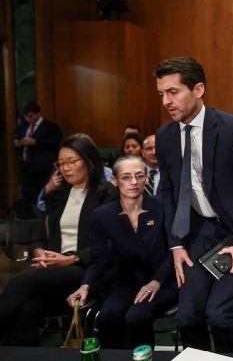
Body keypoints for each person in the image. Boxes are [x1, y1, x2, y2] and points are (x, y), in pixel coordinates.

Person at [154, 57, 233, 353]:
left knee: (219, 315)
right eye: (161, 94)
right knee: (188, 316)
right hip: (198, 232)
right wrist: (175, 244)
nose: (166, 101)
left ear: (198, 90)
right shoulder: (165, 137)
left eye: (173, 92)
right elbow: (167, 193)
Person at [0, 136, 118, 345]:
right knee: (27, 309)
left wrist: (71, 258)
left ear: (88, 160)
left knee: (22, 281)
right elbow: (37, 235)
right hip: (53, 271)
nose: (65, 168)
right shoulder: (58, 194)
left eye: (71, 161)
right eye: (61, 163)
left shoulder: (107, 194)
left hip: (87, 269)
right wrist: (39, 252)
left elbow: (112, 244)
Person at [66, 155, 177, 349]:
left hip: (166, 280)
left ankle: (143, 358)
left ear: (147, 178)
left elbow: (175, 250)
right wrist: (85, 285)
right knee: (108, 316)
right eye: (126, 177)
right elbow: (99, 259)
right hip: (128, 282)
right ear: (115, 181)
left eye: (139, 175)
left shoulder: (162, 206)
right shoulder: (102, 215)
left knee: (136, 317)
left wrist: (157, 281)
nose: (134, 182)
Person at [14, 102, 63, 210]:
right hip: (27, 167)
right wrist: (18, 143)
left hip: (43, 167)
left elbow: (55, 142)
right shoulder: (23, 127)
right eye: (26, 117)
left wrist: (35, 142)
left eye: (30, 116)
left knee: (43, 194)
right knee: (27, 195)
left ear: (38, 114)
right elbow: (17, 140)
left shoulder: (50, 126)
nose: (28, 119)